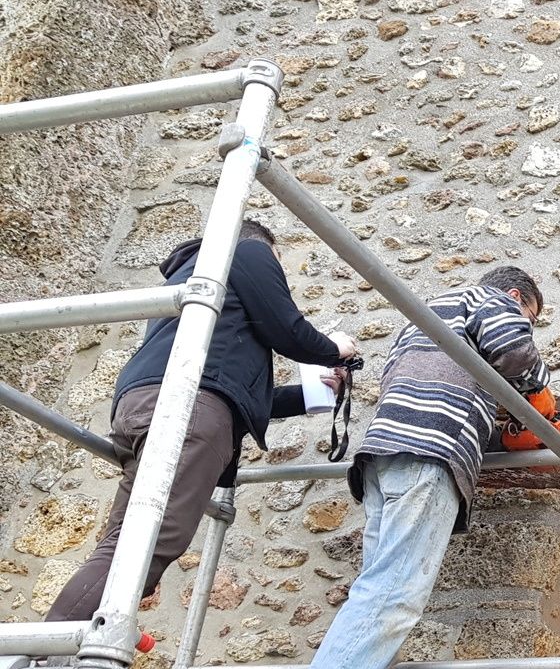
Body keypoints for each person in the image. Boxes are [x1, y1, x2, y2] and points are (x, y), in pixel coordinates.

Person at [266, 266, 552, 669]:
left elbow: (447, 380)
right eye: (531, 315)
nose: (528, 323)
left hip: (387, 457)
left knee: (380, 599)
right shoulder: (489, 300)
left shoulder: (428, 315)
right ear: (517, 295)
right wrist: (539, 391)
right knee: (393, 600)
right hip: (429, 455)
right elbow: (515, 352)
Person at [47, 220, 357, 623]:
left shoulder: (191, 281)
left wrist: (311, 395)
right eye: (276, 263)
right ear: (268, 249)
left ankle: (56, 651)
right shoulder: (246, 250)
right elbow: (287, 331)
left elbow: (229, 388)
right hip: (187, 406)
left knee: (124, 546)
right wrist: (335, 348)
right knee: (152, 543)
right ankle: (46, 652)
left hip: (145, 403)